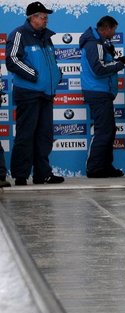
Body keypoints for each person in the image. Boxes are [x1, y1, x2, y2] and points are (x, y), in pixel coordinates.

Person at [6, 1, 64, 186]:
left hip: (46, 93)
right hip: (28, 93)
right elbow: (12, 59)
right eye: (42, 16)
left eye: (46, 16)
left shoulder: (46, 37)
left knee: (44, 136)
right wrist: (34, 75)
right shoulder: (18, 34)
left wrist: (57, 76)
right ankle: (21, 175)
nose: (46, 19)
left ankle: (42, 174)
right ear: (32, 17)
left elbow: (51, 61)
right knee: (26, 134)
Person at [80, 15, 125, 178]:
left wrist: (115, 60)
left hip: (101, 92)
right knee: (103, 130)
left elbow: (102, 64)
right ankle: (94, 168)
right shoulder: (94, 43)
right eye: (114, 29)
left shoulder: (101, 43)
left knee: (108, 130)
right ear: (106, 28)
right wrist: (119, 63)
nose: (115, 33)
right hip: (98, 92)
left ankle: (105, 166)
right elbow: (98, 69)